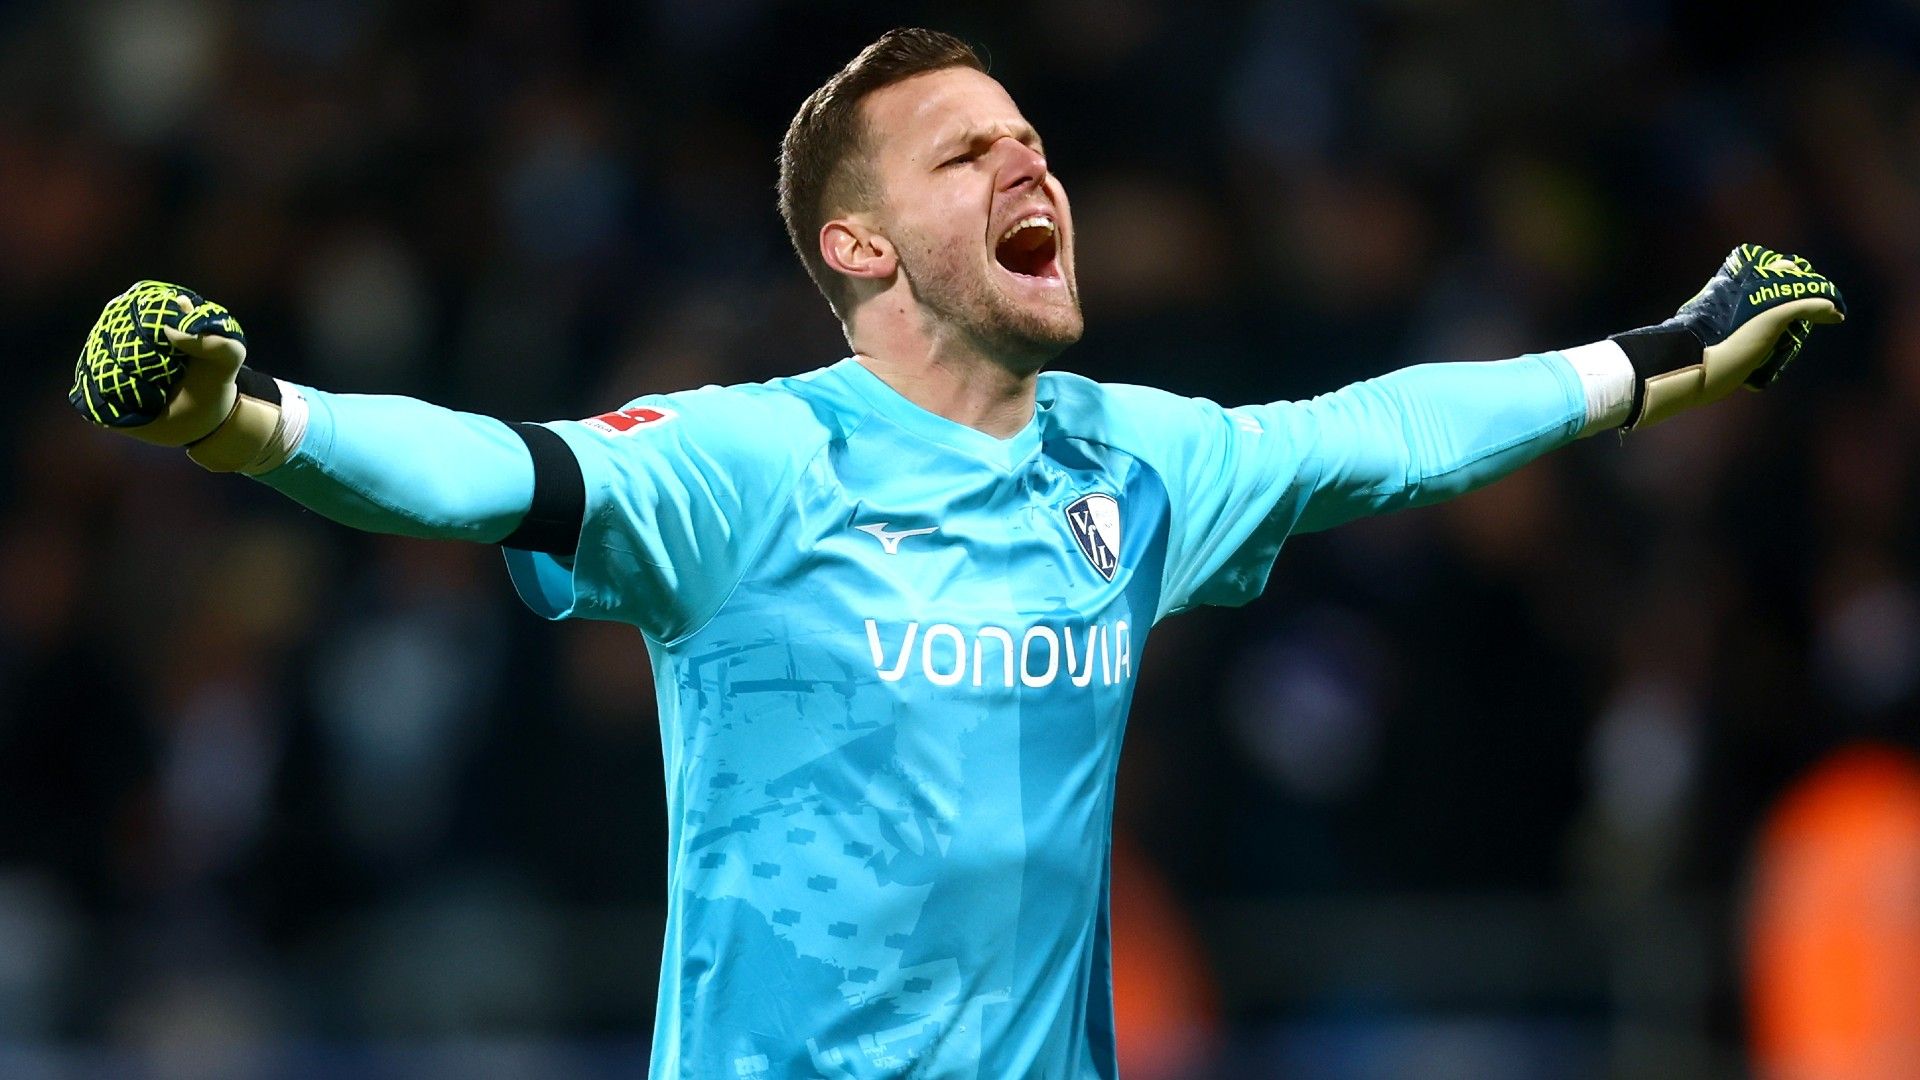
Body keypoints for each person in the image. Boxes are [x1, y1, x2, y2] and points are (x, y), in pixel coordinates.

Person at [69, 26, 1843, 1080]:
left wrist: (1652, 360)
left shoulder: (1134, 460)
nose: (1028, 167)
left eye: (1034, 142)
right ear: (860, 245)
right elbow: (486, 472)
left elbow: (1375, 433)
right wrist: (252, 419)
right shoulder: (754, 462)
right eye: (965, 152)